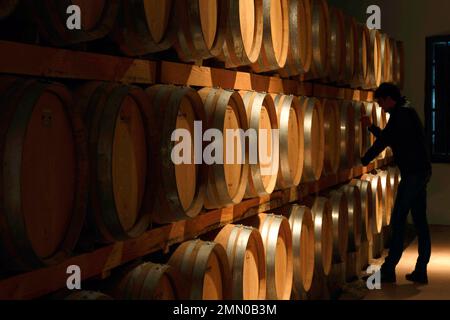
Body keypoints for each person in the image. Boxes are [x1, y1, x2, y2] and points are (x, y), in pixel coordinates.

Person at [361, 82, 432, 284]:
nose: (381, 107)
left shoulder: (401, 114)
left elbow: (384, 141)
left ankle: (389, 270)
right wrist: (371, 127)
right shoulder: (405, 110)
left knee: (399, 219)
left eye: (381, 102)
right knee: (420, 221)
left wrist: (364, 160)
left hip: (414, 174)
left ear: (389, 99)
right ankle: (420, 270)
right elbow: (390, 137)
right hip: (420, 172)